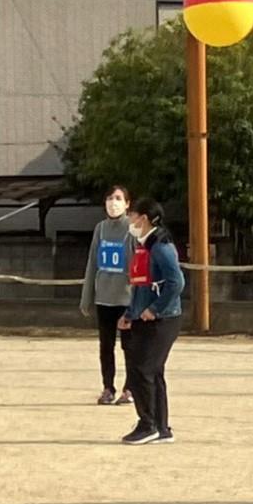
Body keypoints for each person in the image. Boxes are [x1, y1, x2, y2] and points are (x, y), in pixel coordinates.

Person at [119, 198, 184, 446]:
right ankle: (160, 426)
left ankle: (149, 424)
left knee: (143, 370)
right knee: (152, 372)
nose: (130, 222)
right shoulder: (144, 245)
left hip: (163, 319)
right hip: (143, 316)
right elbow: (141, 285)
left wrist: (155, 309)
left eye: (132, 216)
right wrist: (130, 314)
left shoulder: (161, 247)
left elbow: (176, 283)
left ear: (143, 218)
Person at [80, 184, 137, 405]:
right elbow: (92, 264)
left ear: (127, 203)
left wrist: (139, 300)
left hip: (126, 298)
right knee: (106, 346)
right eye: (109, 198)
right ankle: (107, 387)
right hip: (104, 298)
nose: (113, 203)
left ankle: (130, 388)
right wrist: (86, 298)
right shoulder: (100, 229)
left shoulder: (132, 228)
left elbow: (139, 265)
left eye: (118, 198)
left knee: (129, 346)